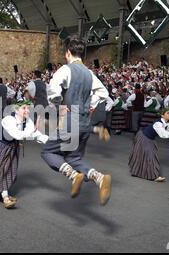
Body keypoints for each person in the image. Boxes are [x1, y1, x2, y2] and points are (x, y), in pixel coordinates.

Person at [40, 37, 112, 206]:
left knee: (48, 152)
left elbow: (54, 90)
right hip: (85, 123)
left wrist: (58, 106)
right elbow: (104, 93)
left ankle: (74, 176)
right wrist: (91, 105)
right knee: (73, 157)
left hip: (70, 122)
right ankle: (100, 178)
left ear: (68, 53)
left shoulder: (66, 69)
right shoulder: (89, 73)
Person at [0, 100, 48, 209]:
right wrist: (32, 131)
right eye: (24, 108)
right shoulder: (9, 119)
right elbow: (17, 135)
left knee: (8, 170)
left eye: (28, 108)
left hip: (12, 146)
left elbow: (35, 133)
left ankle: (5, 196)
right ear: (16, 110)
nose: (27, 110)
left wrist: (52, 142)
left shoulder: (27, 120)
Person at [129, 108, 169, 182]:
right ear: (162, 115)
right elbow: (164, 135)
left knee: (148, 156)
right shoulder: (158, 123)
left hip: (150, 139)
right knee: (149, 156)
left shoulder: (167, 124)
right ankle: (153, 176)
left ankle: (137, 173)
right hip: (143, 136)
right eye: (168, 113)